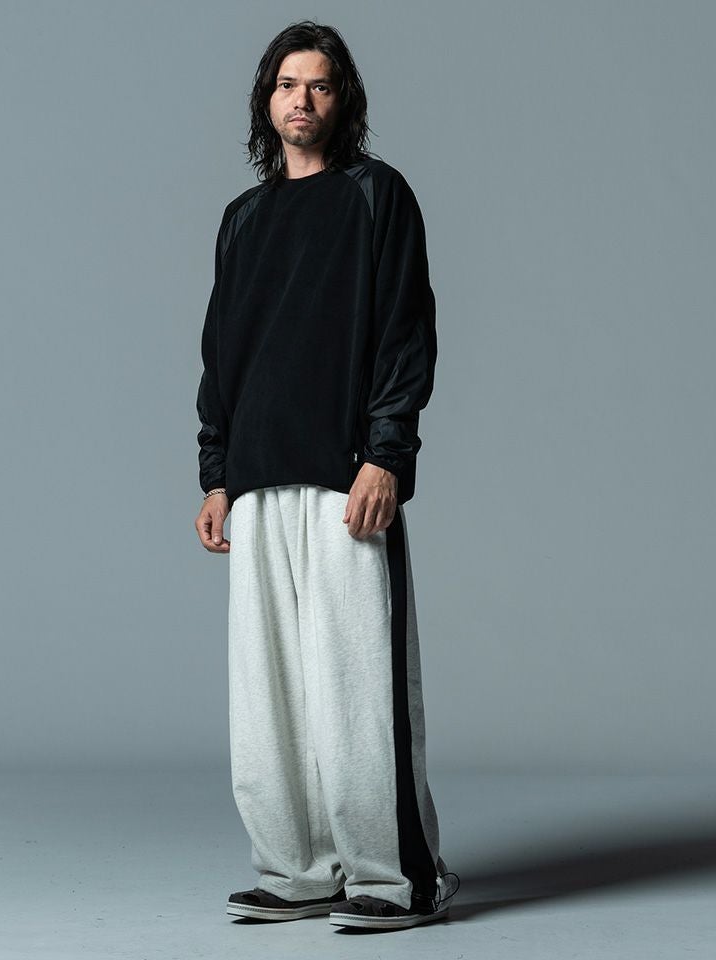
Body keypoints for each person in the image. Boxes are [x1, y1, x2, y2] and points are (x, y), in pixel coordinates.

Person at [194, 20, 459, 931]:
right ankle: (297, 869)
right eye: (285, 85)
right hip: (258, 482)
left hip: (347, 478)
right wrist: (216, 473)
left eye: (318, 85)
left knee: (357, 690)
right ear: (265, 102)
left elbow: (405, 331)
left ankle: (395, 878)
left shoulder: (378, 197)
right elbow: (222, 353)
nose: (300, 99)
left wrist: (388, 453)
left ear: (343, 101)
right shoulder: (243, 220)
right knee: (267, 694)